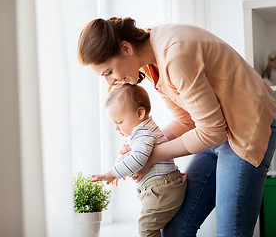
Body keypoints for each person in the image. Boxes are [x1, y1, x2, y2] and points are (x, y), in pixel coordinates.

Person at [77, 17, 276, 236]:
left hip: (246, 129)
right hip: (216, 131)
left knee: (231, 232)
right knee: (175, 228)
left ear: (126, 48)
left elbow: (212, 132)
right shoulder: (151, 63)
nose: (110, 82)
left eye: (108, 72)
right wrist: (143, 147)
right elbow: (186, 120)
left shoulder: (174, 55)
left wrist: (150, 156)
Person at [92, 83, 186, 237]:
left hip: (162, 188)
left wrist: (113, 173)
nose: (117, 128)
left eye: (120, 122)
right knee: (151, 226)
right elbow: (130, 156)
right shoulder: (140, 132)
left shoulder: (143, 133)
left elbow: (138, 160)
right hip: (160, 188)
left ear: (140, 113)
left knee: (147, 228)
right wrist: (120, 161)